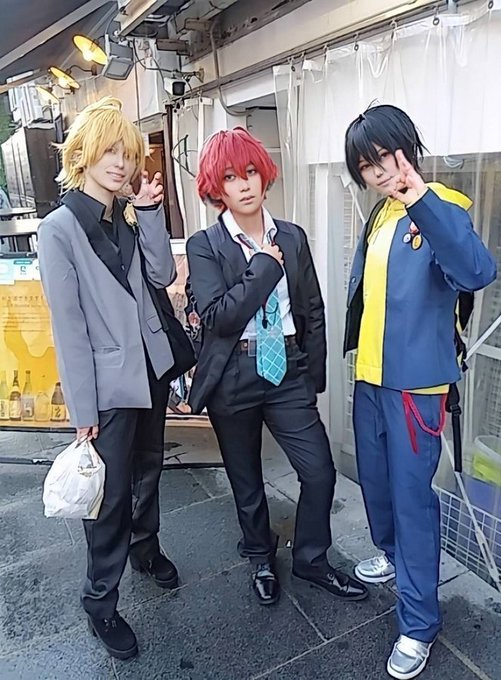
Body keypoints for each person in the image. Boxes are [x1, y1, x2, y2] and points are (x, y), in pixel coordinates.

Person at [343, 104, 497, 679]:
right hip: (370, 378)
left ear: (408, 147)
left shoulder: (442, 207)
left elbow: (477, 272)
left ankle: (419, 622)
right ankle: (391, 555)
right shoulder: (379, 216)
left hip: (416, 388)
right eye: (367, 165)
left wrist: (421, 202)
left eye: (386, 156)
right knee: (377, 488)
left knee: (412, 501)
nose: (380, 171)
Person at [186, 127, 368, 606]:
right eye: (230, 177)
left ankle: (311, 559)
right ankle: (260, 557)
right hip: (233, 373)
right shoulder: (205, 245)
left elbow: (312, 308)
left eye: (250, 172)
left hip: (287, 369)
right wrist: (265, 266)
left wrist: (312, 375)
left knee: (320, 471)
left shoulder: (292, 235)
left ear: (264, 176)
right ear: (216, 187)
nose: (244, 184)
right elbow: (219, 317)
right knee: (246, 479)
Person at [38, 97, 179, 660]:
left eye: (128, 154)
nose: (121, 163)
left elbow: (163, 275)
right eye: (110, 152)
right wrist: (83, 411)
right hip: (106, 387)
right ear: (83, 154)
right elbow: (68, 326)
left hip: (150, 370)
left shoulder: (126, 215)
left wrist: (150, 213)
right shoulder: (59, 229)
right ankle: (100, 600)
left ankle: (146, 549)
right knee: (107, 495)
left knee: (149, 469)